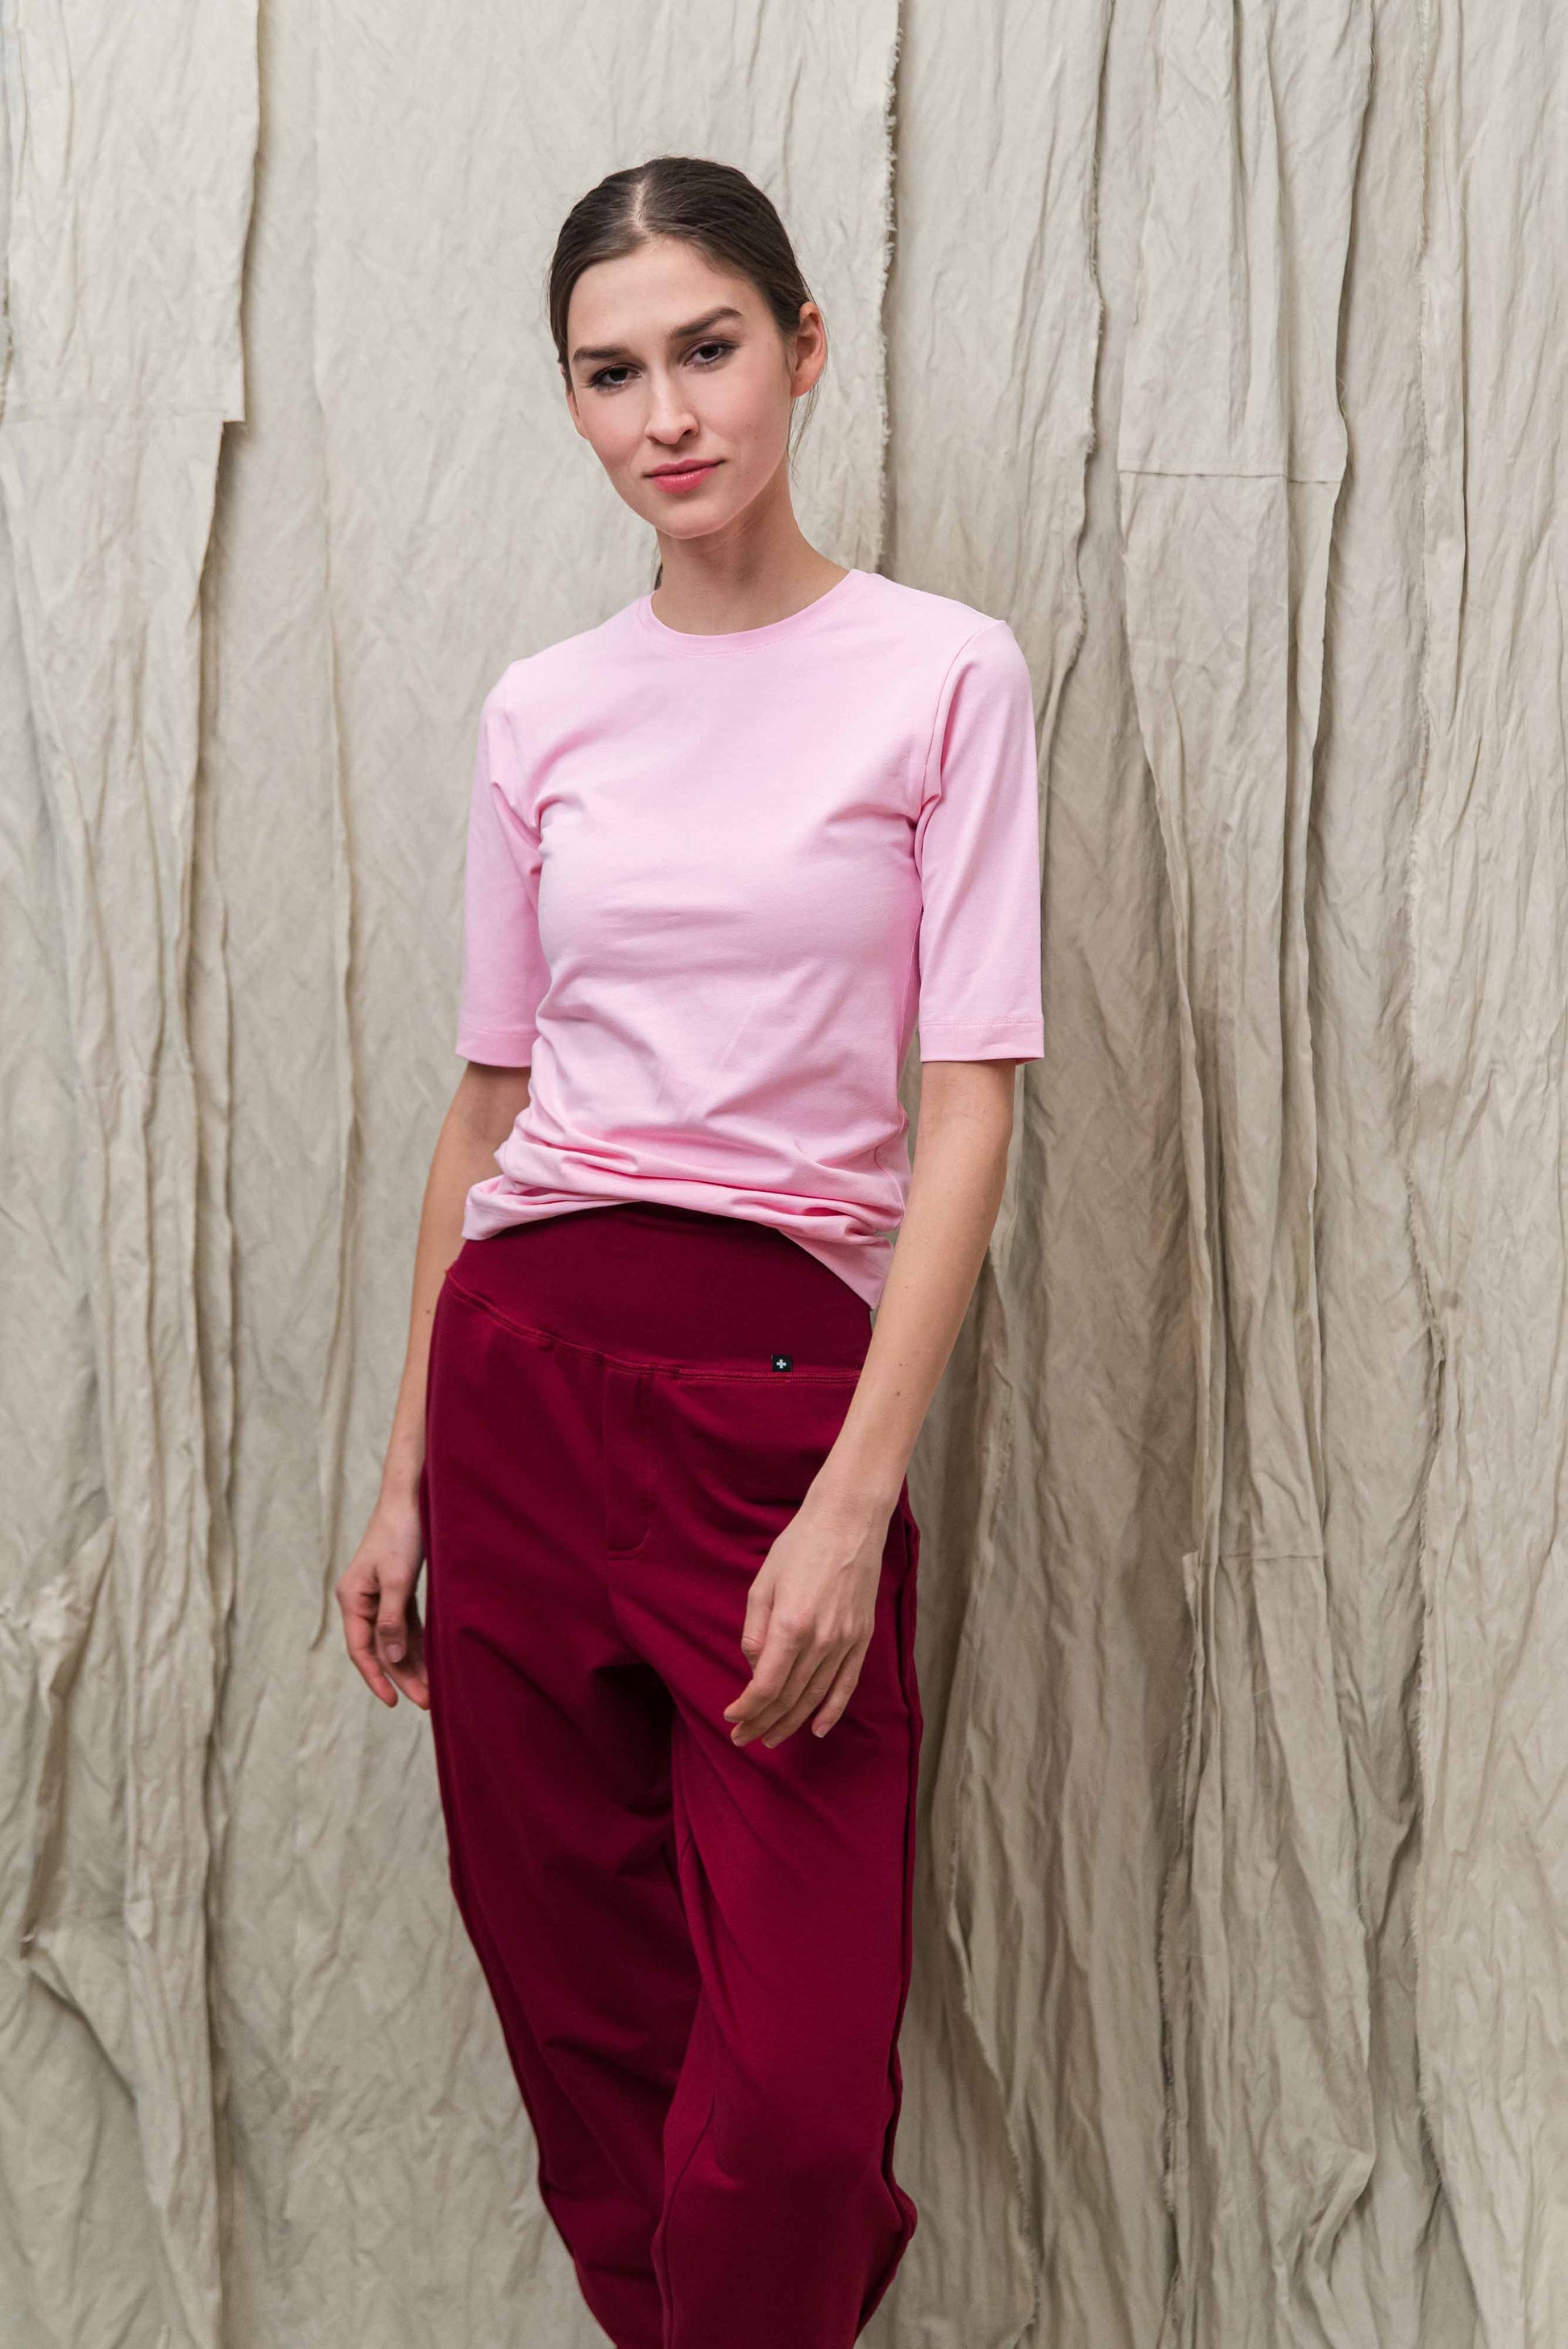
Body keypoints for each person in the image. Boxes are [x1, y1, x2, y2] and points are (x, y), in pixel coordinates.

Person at [334, 154, 1044, 2349]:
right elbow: (487, 1106)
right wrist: (404, 1474)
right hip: (520, 1388)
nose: (667, 414)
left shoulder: (943, 674)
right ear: (570, 399)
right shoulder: (541, 710)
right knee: (596, 2046)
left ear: (805, 349)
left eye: (709, 349)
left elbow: (970, 1103)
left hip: (771, 1414)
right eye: (609, 372)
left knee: (796, 2110)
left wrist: (852, 1496)